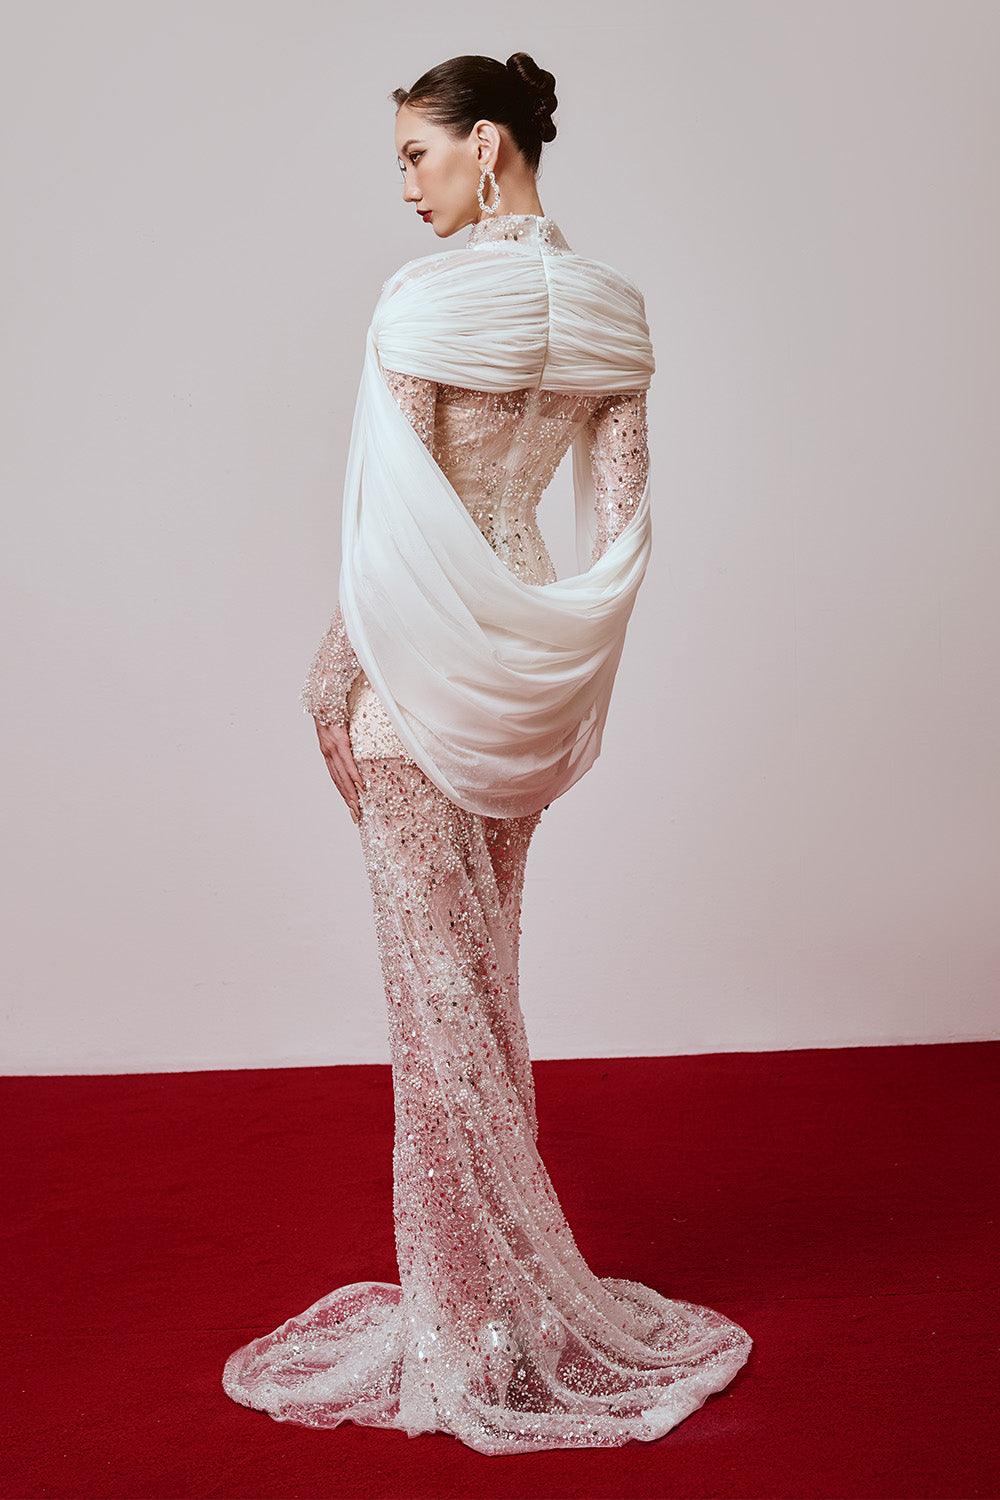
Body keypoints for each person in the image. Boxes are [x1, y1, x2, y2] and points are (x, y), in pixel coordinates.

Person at [222, 51, 752, 1456]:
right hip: (521, 689)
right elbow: (620, 534)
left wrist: (325, 683)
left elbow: (394, 531)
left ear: (491, 146)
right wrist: (556, 653)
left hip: (410, 681)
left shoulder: (423, 303)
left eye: (418, 152)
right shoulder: (617, 315)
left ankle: (470, 1337)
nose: (405, 183)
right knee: (486, 1000)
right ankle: (504, 1312)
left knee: (436, 1020)